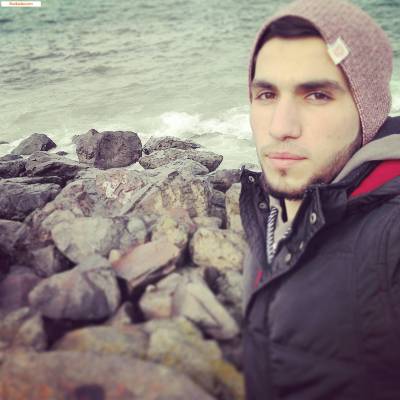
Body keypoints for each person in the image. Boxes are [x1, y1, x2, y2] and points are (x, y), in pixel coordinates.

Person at [239, 0, 400, 399]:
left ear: (367, 110)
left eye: (317, 96)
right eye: (266, 94)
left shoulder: (391, 238)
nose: (281, 127)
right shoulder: (272, 208)